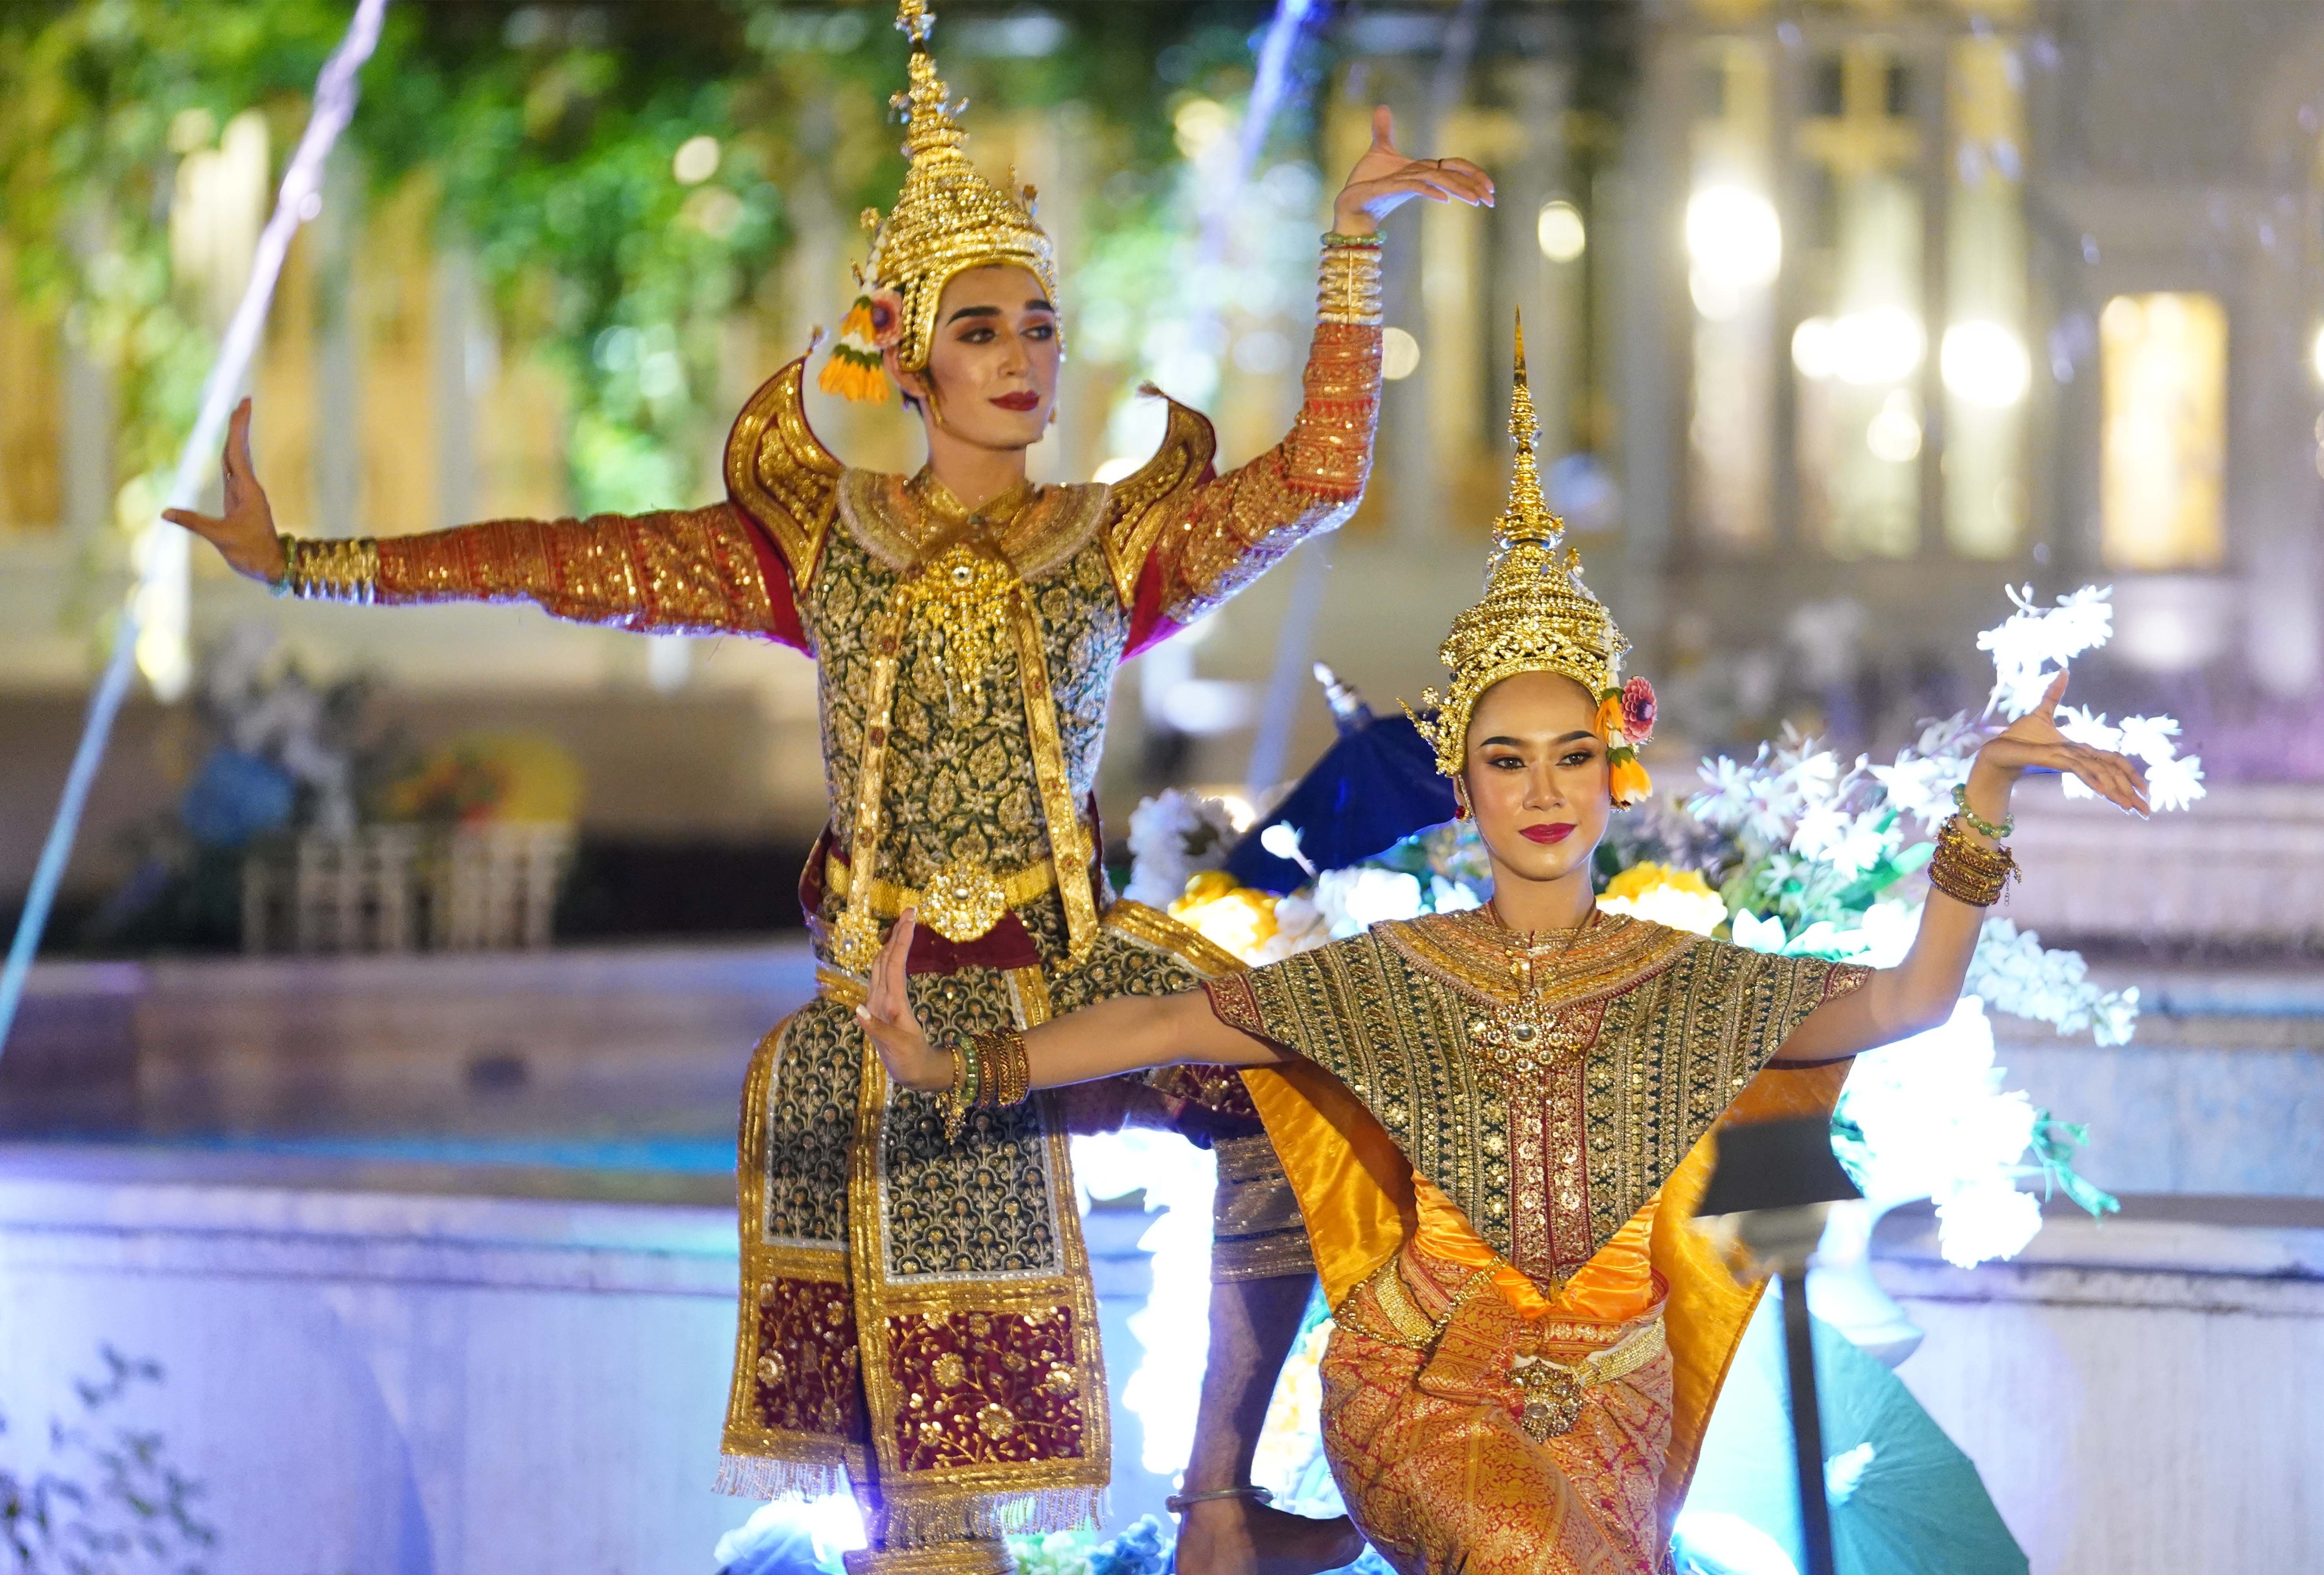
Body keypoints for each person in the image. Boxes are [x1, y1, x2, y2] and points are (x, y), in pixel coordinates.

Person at [160, 5, 1490, 1570]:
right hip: (904, 1013)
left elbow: (1320, 478)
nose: (1020, 356)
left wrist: (1349, 244)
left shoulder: (1113, 545)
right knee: (947, 1538)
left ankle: (1218, 1501)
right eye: (982, 328)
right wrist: (303, 563)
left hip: (1080, 977)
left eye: (1041, 326)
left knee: (1306, 1086)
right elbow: (554, 563)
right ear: (910, 354)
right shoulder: (822, 539)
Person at [853, 329, 2152, 1574]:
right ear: (1461, 793)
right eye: (1507, 762)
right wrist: (959, 1064)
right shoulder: (1392, 977)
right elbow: (1164, 1026)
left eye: (1574, 756)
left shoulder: (1688, 982)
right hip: (1421, 1390)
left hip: (1617, 1408)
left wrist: (1982, 807)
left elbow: (1912, 1001)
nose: (1546, 790)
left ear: (1616, 773)